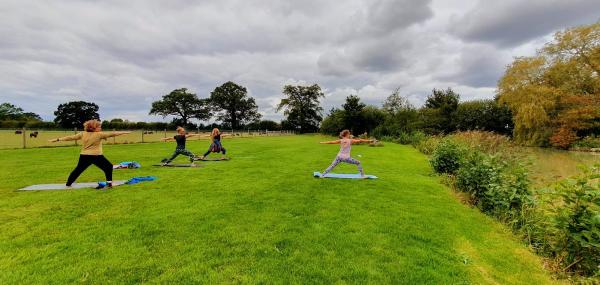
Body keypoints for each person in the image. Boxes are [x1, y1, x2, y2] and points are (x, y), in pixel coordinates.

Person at [48, 119, 130, 189]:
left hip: (84, 156)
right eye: (99, 126)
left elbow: (70, 137)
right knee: (108, 167)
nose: (100, 128)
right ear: (94, 127)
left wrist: (57, 139)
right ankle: (109, 184)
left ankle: (68, 184)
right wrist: (123, 132)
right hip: (96, 156)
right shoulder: (99, 134)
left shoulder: (83, 133)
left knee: (78, 170)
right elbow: (112, 134)